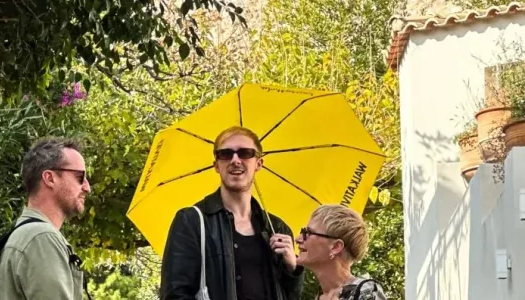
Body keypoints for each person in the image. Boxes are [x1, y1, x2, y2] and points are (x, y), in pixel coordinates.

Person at [160, 126, 304, 300]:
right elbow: (175, 295)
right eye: (226, 154)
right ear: (216, 165)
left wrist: (292, 269)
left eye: (245, 153)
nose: (235, 160)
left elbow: (291, 296)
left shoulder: (277, 228)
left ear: (258, 164)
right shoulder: (191, 221)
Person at [0, 137, 92, 300]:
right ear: (49, 178)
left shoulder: (27, 234)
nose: (87, 187)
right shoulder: (41, 238)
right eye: (79, 177)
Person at [296, 205, 387, 300]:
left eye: (309, 233)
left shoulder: (366, 292)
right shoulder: (320, 296)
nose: (298, 239)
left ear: (335, 247)